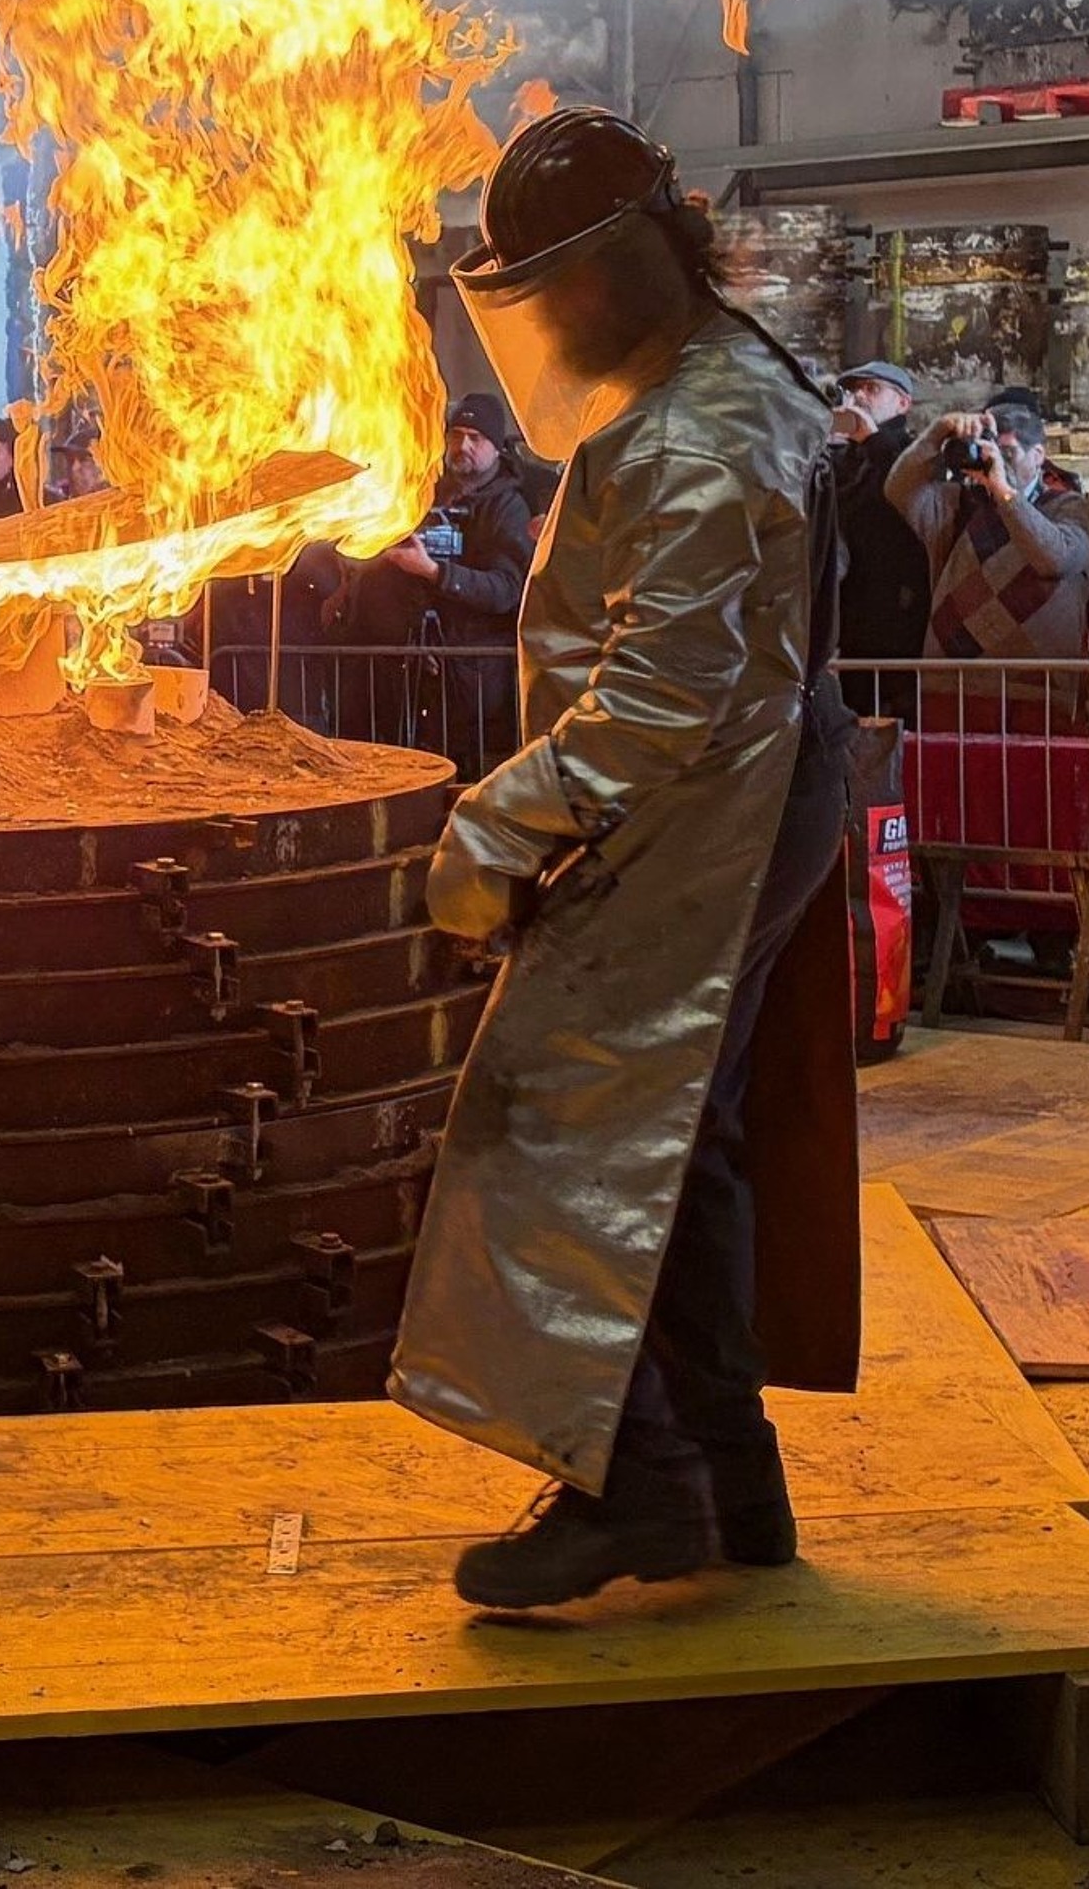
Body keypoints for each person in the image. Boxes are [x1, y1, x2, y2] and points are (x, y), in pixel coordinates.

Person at [390, 107, 858, 1611]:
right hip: (736, 793)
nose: (559, 317)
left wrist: (502, 821)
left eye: (572, 282)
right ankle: (730, 1484)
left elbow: (665, 693)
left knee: (581, 1139)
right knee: (683, 1142)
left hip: (704, 812)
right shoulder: (710, 376)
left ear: (634, 261)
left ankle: (641, 1488)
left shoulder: (707, 425)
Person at [358, 389, 536, 772]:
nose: (463, 445)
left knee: (471, 777)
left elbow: (507, 590)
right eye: (456, 435)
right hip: (420, 675)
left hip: (477, 684)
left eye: (476, 438)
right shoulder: (422, 496)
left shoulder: (507, 508)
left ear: (496, 447)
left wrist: (435, 573)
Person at [883, 389, 1089, 669]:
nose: (998, 462)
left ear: (1038, 455)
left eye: (1008, 453)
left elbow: (1055, 559)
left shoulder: (1065, 504)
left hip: (1038, 683)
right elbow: (899, 491)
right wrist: (938, 431)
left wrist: (1003, 490)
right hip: (953, 677)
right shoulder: (958, 503)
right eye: (991, 452)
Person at [828, 361, 930, 671]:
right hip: (849, 601)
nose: (860, 396)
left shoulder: (914, 454)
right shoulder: (844, 457)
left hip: (896, 602)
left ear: (903, 403)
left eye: (872, 389)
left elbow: (906, 491)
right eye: (854, 389)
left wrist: (873, 440)